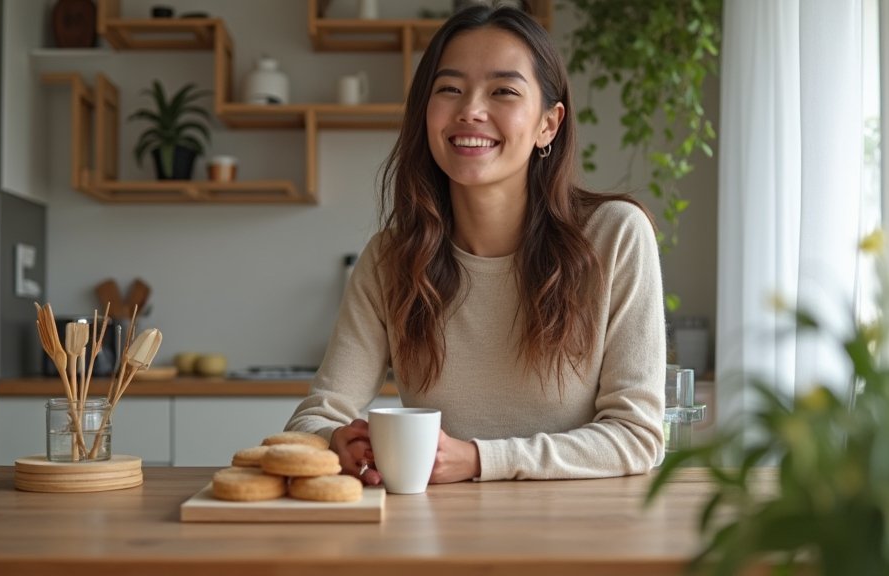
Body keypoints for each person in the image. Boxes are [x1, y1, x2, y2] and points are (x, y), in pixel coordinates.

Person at [284, 4, 665, 484]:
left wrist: (478, 459)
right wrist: (337, 441)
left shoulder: (615, 236)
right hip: (437, 540)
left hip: (579, 536)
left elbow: (637, 436)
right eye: (450, 89)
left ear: (549, 123)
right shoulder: (391, 259)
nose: (471, 111)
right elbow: (314, 418)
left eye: (503, 91)